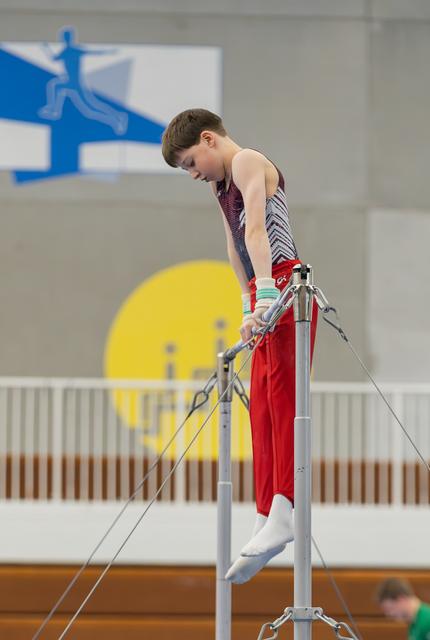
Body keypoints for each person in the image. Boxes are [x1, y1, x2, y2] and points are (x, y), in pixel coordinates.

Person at [162, 108, 317, 583]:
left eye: (191, 163)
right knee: (263, 407)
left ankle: (287, 506)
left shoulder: (249, 160)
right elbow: (234, 244)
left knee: (284, 398)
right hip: (262, 290)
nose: (193, 174)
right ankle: (267, 511)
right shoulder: (218, 185)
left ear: (209, 140)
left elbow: (255, 229)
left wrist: (269, 290)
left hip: (287, 282)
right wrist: (248, 301)